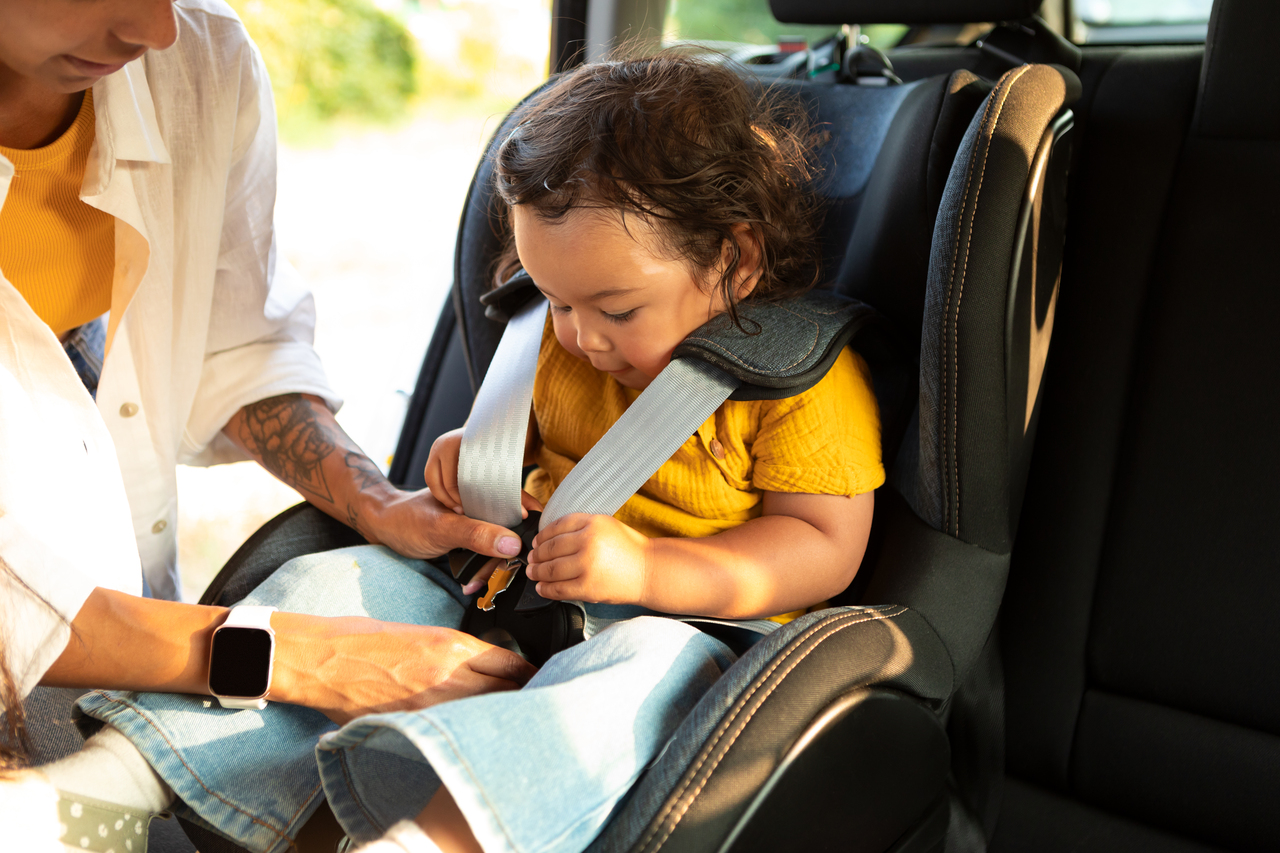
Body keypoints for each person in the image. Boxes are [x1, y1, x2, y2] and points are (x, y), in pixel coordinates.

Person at [81, 53, 886, 853]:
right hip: (508, 592)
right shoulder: (561, 344)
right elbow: (529, 445)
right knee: (343, 584)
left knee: (641, 680)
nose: (580, 334)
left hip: (681, 627)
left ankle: (427, 842)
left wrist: (649, 570)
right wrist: (475, 459)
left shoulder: (800, 384)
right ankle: (113, 781)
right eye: (558, 300)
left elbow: (825, 544)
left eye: (616, 307)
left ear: (733, 260)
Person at [0, 1, 537, 847]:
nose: (154, 30)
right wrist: (294, 654)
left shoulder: (198, 61)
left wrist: (375, 501)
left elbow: (235, 342)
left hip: (109, 638)